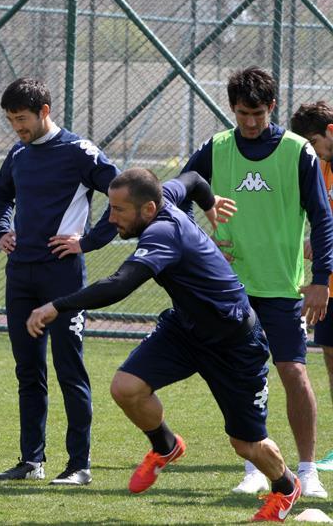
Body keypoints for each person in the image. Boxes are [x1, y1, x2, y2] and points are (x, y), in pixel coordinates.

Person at [27, 168, 302, 522]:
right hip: (185, 329)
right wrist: (210, 205)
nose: (111, 219)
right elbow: (194, 179)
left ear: (148, 209)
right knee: (126, 388)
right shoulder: (164, 196)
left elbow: (120, 283)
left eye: (118, 210)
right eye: (110, 208)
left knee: (247, 444)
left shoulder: (163, 232)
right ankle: (165, 446)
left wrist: (56, 306)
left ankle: (286, 486)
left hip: (234, 342)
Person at [179, 67, 333, 498]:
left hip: (284, 287)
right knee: (242, 376)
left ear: (272, 107)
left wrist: (321, 280)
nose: (250, 122)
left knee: (294, 371)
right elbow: (176, 196)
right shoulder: (216, 148)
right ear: (232, 108)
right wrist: (199, 243)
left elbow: (322, 219)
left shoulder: (298, 151)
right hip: (230, 288)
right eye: (243, 113)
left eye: (258, 114)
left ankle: (308, 471)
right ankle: (255, 469)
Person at [0, 78, 120, 484]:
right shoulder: (18, 153)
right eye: (11, 120)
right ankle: (31, 461)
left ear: (44, 111)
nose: (17, 128)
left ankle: (79, 464)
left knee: (69, 368)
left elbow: (122, 194)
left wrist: (88, 241)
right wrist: (2, 229)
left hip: (63, 278)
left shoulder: (80, 152)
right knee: (28, 370)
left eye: (22, 119)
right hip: (21, 276)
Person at [290, 100, 333, 472]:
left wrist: (320, 245)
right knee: (331, 359)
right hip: (329, 286)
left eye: (315, 142)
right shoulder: (320, 167)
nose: (314, 152)